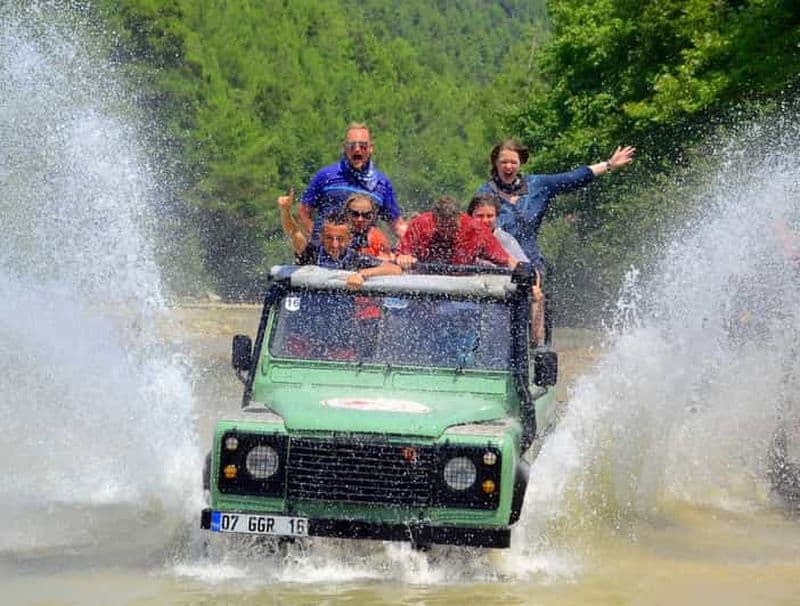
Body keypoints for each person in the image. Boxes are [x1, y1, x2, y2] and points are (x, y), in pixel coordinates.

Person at [477, 139, 636, 272]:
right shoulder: (484, 194)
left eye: (513, 162)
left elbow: (572, 178)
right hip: (498, 268)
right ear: (495, 163)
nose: (508, 167)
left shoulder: (537, 185)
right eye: (503, 162)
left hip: (531, 266)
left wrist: (608, 165)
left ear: (521, 164)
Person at [299, 122, 407, 245]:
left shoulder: (382, 183)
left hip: (361, 255)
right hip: (325, 253)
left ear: (371, 148)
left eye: (363, 146)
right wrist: (317, 239)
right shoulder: (325, 175)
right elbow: (303, 213)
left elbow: (397, 226)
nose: (357, 149)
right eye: (351, 145)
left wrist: (418, 239)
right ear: (344, 148)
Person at [278, 192, 401, 289]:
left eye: (340, 239)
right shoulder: (312, 253)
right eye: (329, 239)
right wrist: (285, 211)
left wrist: (361, 274)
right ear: (321, 238)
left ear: (349, 240)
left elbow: (395, 269)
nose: (335, 244)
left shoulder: (354, 257)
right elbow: (294, 233)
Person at [468, 192, 545, 344]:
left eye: (490, 216)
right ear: (470, 216)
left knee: (537, 295)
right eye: (480, 216)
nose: (485, 221)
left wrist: (534, 286)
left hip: (499, 299)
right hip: (467, 297)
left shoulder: (506, 240)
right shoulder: (462, 238)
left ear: (496, 217)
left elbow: (528, 269)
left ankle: (535, 345)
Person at [395, 196, 518, 270]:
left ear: (460, 217)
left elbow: (507, 261)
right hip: (424, 284)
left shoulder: (477, 230)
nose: (447, 233)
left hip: (461, 289)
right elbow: (401, 256)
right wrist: (403, 257)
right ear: (434, 220)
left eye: (452, 227)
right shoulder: (420, 225)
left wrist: (525, 272)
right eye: (443, 227)